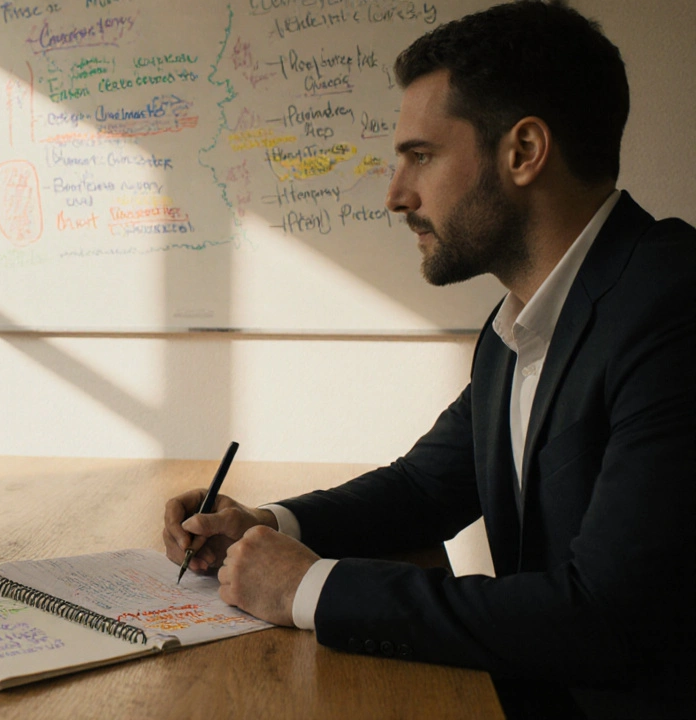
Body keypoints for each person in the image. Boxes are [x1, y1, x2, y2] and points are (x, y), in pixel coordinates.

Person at [163, 2, 694, 718]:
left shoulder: (672, 310)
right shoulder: (520, 326)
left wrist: (310, 588)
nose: (395, 194)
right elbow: (424, 488)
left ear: (524, 151)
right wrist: (263, 523)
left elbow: (606, 618)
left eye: (421, 156)